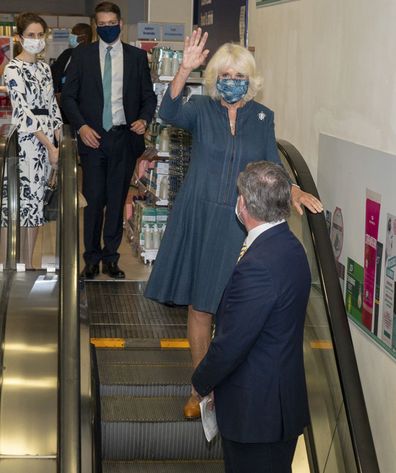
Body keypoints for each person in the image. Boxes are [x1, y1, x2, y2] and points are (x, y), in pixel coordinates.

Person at [144, 29, 322, 418]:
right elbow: (167, 112)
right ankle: (199, 389)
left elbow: (269, 165)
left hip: (242, 224)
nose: (231, 82)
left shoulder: (262, 117)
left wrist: (292, 191)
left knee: (235, 311)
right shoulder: (200, 108)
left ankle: (228, 386)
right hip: (199, 216)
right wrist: (184, 69)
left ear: (251, 80)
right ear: (214, 79)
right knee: (201, 307)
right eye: (224, 75)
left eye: (238, 75)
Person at [192, 161, 311, 473]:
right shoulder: (290, 247)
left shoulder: (259, 265)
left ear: (243, 204)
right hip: (278, 404)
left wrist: (201, 382)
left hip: (257, 415)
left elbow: (232, 343)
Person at [61, 1, 157, 279]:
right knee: (93, 201)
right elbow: (68, 97)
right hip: (92, 139)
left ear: (120, 24)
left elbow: (148, 97)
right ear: (95, 26)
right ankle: (90, 258)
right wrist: (81, 127)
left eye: (110, 24)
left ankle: (111, 258)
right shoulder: (82, 56)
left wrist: (144, 118)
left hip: (123, 138)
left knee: (116, 200)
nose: (106, 28)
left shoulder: (137, 57)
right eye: (101, 25)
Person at [1, 12, 62, 268]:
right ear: (19, 37)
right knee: (19, 205)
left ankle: (28, 264)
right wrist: (48, 146)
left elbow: (53, 107)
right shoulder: (13, 69)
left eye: (39, 35)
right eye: (30, 35)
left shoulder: (45, 68)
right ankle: (9, 266)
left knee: (36, 207)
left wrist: (58, 140)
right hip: (27, 143)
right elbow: (23, 112)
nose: (36, 40)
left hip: (48, 142)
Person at [51, 23, 92, 97]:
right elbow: (54, 71)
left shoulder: (92, 57)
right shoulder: (67, 53)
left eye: (74, 34)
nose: (71, 36)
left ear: (84, 38)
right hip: (60, 101)